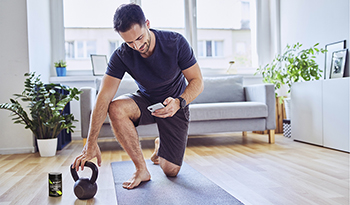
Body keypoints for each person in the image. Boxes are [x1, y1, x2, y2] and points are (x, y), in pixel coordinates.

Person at [72, 3, 203, 189]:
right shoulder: (122, 55)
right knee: (115, 107)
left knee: (170, 170)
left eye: (140, 38)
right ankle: (141, 169)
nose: (137, 46)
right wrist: (90, 143)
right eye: (129, 42)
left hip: (174, 103)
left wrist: (179, 102)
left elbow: (197, 81)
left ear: (147, 24)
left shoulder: (175, 42)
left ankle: (160, 146)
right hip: (147, 100)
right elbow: (103, 97)